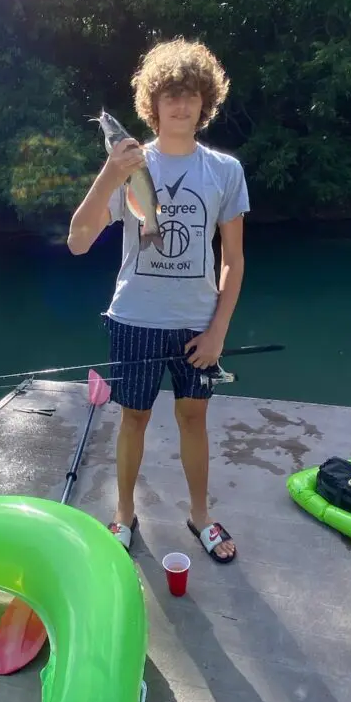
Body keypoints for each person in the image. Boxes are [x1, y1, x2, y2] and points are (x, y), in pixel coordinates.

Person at [67, 38, 249, 563]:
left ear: (205, 103)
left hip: (197, 323)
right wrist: (110, 174)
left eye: (192, 94)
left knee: (195, 418)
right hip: (134, 318)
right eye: (171, 93)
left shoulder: (224, 172)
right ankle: (123, 515)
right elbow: (79, 241)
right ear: (152, 102)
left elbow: (233, 260)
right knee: (134, 418)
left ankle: (200, 516)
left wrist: (218, 330)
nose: (181, 103)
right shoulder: (128, 164)